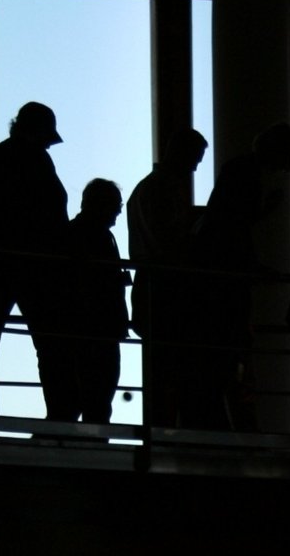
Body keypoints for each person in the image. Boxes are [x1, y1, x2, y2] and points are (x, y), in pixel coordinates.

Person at [185, 122, 290, 431]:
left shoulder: (237, 172)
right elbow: (234, 230)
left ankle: (216, 423)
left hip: (217, 280)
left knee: (220, 359)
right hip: (225, 285)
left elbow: (228, 224)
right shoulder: (246, 177)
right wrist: (253, 267)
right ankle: (229, 425)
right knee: (229, 354)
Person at [0, 102, 68, 407]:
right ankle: (59, 413)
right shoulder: (37, 162)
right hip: (32, 268)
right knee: (49, 344)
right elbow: (53, 215)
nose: (49, 143)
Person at [126, 129, 207, 427]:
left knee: (162, 370)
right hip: (164, 288)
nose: (194, 168)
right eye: (194, 159)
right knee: (171, 369)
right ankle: (168, 432)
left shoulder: (149, 189)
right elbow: (168, 241)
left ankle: (162, 432)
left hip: (153, 286)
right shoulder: (162, 190)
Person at [40, 179, 129, 425]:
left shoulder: (77, 234)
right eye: (116, 206)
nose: (118, 212)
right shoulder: (98, 237)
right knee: (95, 404)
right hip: (95, 333)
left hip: (90, 332)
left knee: (76, 406)